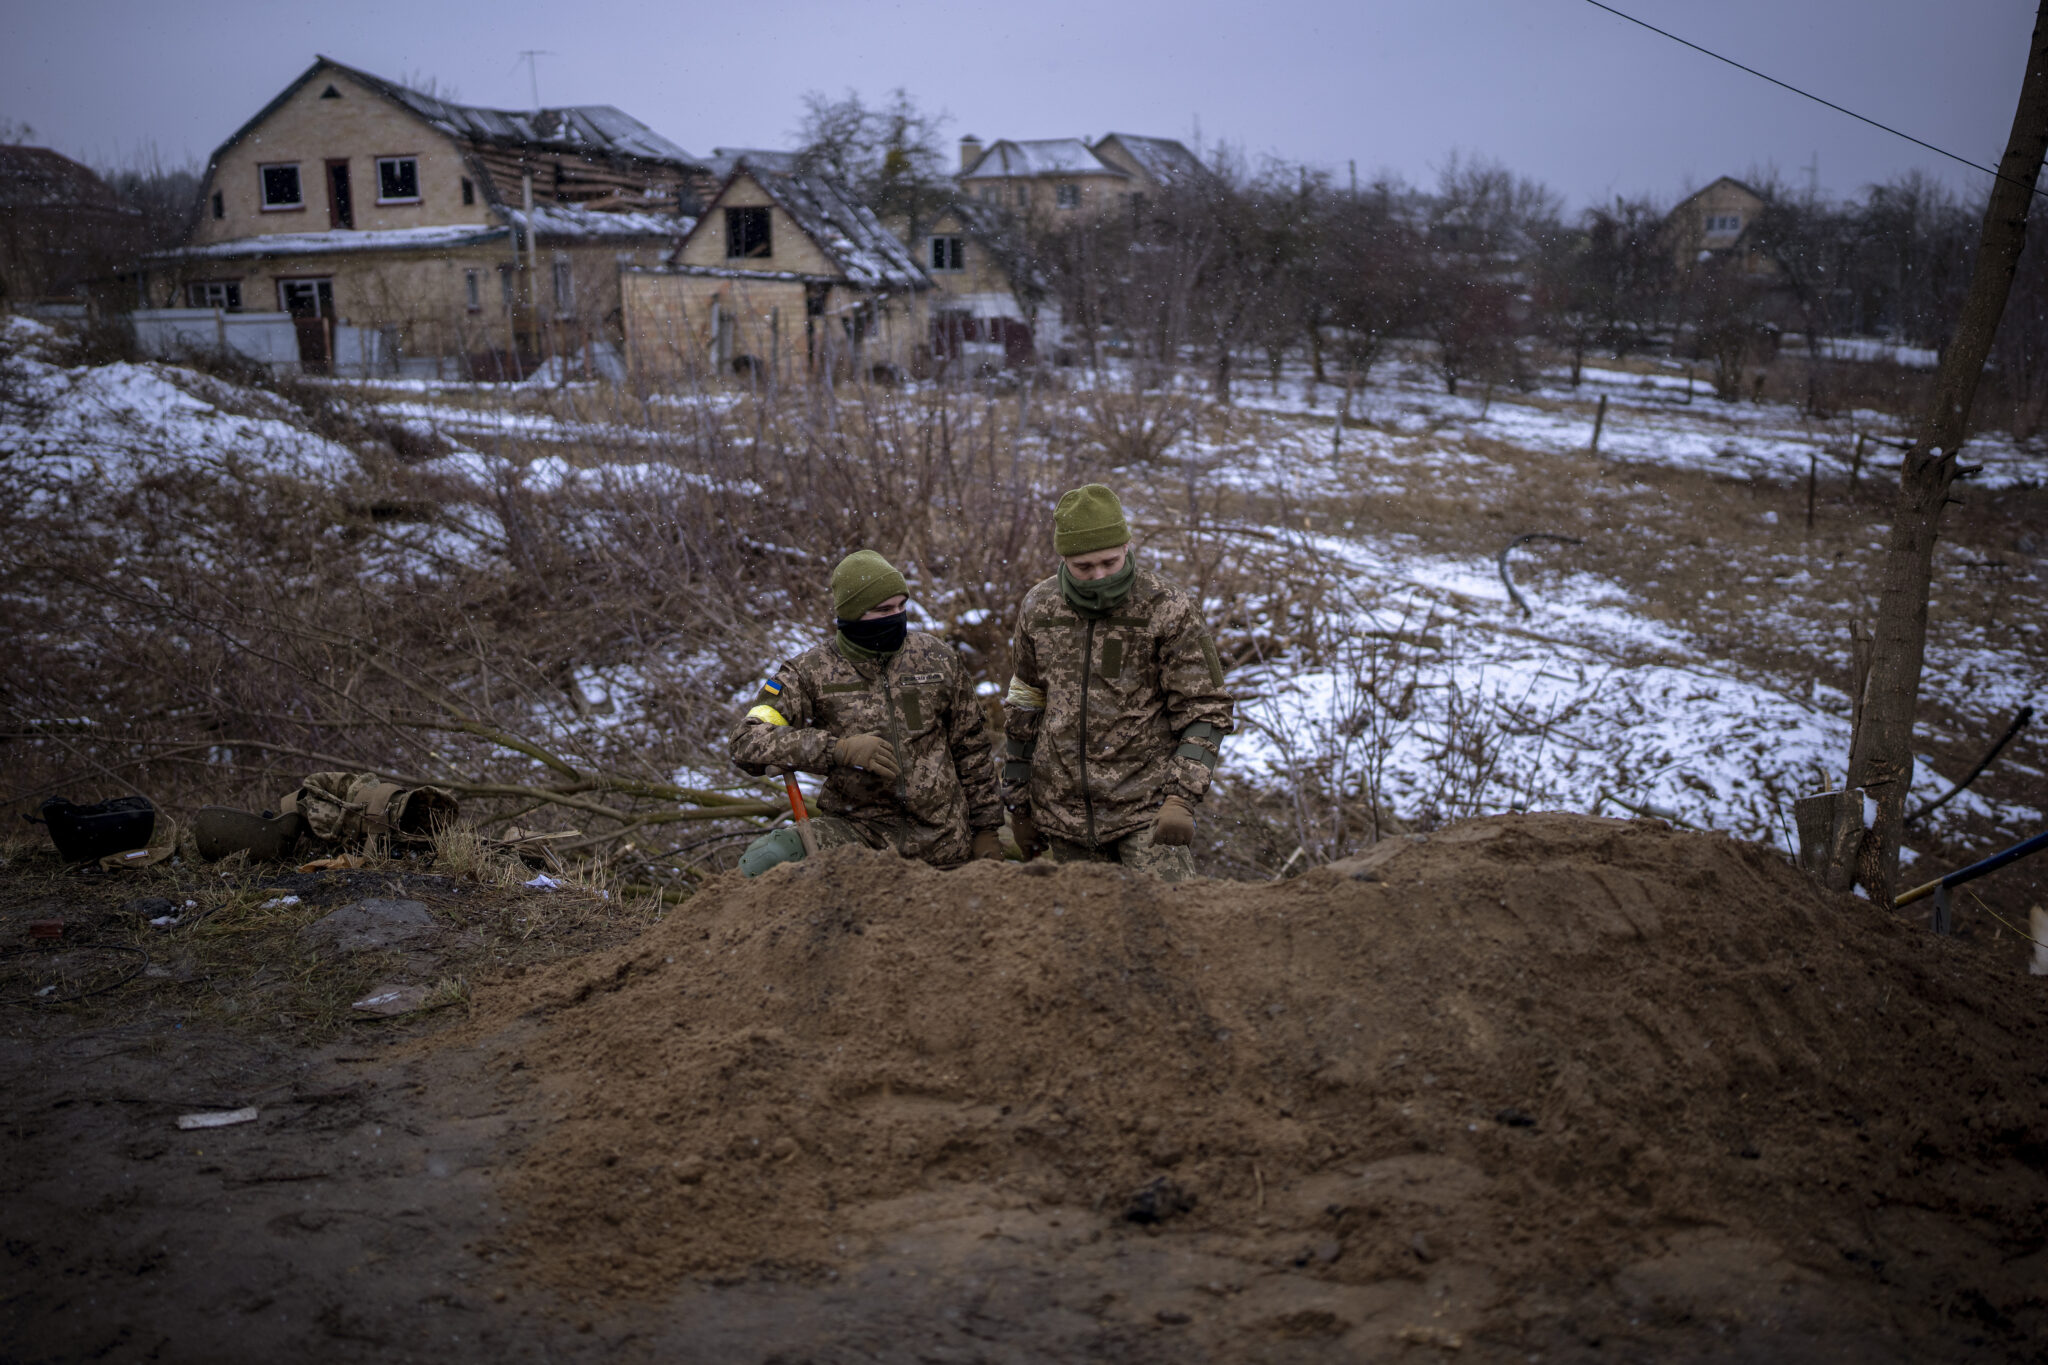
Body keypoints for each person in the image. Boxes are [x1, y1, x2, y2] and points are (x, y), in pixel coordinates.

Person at [1001, 485, 1233, 881]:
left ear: (1127, 544)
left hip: (1146, 813)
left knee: (1166, 927)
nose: (1099, 576)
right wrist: (1018, 803)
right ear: (1063, 558)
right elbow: (1026, 702)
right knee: (1083, 936)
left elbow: (1204, 708)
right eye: (1084, 567)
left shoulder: (1167, 607)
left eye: (1109, 561)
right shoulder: (1039, 607)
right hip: (1060, 814)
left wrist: (1181, 798)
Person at [730, 549, 1003, 874]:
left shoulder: (937, 659)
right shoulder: (808, 674)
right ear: (853, 613)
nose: (897, 616)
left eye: (902, 606)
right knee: (766, 858)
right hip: (857, 837)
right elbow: (746, 742)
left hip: (943, 841)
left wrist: (986, 830)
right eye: (883, 609)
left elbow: (971, 749)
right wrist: (838, 750)